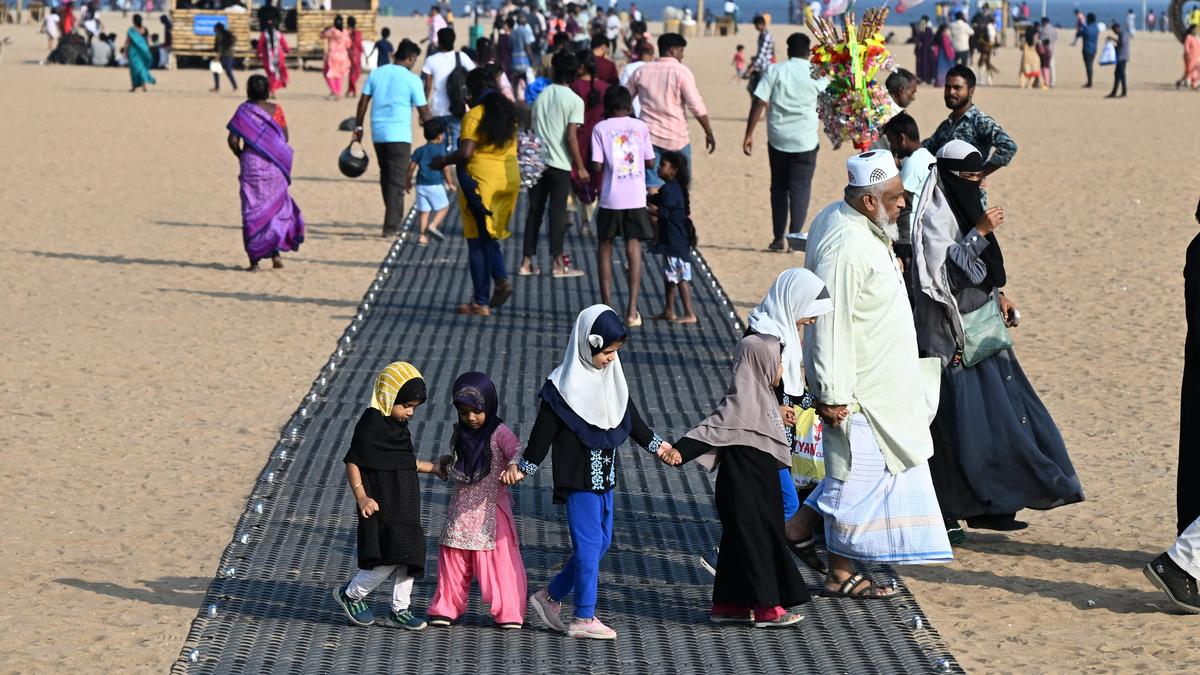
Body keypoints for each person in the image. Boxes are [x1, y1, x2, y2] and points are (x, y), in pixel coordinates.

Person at [911, 140, 1084, 539]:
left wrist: (999, 295)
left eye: (979, 177)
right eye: (969, 179)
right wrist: (979, 233)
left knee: (1002, 420)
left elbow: (984, 272)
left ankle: (995, 505)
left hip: (983, 331)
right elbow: (942, 281)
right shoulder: (935, 218)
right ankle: (952, 511)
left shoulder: (966, 206)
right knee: (957, 430)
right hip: (951, 340)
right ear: (952, 178)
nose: (976, 185)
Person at [802, 151, 954, 597]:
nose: (903, 204)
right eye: (894, 197)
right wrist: (831, 391)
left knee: (857, 476)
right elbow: (830, 320)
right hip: (860, 390)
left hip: (883, 384)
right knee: (852, 480)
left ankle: (806, 537)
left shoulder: (854, 223)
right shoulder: (845, 245)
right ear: (868, 202)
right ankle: (834, 568)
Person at [506, 305, 680, 640]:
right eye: (607, 352)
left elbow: (632, 421)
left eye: (615, 352)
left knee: (600, 544)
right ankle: (584, 617)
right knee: (588, 547)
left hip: (605, 477)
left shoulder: (612, 380)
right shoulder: (560, 389)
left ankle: (550, 596)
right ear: (588, 346)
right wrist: (524, 468)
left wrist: (661, 448)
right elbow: (541, 436)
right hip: (578, 479)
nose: (612, 359)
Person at [672, 333, 811, 626]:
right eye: (779, 363)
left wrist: (781, 410)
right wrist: (677, 452)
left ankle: (729, 605)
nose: (782, 370)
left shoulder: (763, 397)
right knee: (758, 540)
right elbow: (710, 429)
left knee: (739, 541)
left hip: (758, 484)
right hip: (743, 487)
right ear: (761, 364)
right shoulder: (741, 403)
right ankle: (766, 608)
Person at [331, 362, 446, 631]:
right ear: (388, 396)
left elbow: (402, 460)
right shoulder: (371, 423)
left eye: (415, 407)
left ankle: (400, 608)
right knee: (388, 557)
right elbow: (353, 461)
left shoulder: (398, 427)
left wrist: (434, 468)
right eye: (405, 405)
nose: (410, 412)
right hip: (382, 502)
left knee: (410, 554)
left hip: (405, 501)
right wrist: (361, 497)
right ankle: (351, 594)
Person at [426, 372, 528, 628]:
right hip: (461, 508)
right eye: (463, 412)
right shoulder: (461, 433)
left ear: (489, 406)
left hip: (490, 511)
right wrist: (445, 464)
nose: (471, 418)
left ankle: (508, 612)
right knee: (453, 556)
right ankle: (445, 607)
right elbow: (460, 463)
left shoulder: (499, 432)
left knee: (498, 561)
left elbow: (517, 450)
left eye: (476, 411)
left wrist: (514, 468)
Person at [431, 66, 520, 316]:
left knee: (477, 242)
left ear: (472, 90)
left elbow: (466, 153)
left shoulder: (475, 116)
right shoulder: (509, 114)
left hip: (480, 183)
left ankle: (484, 298)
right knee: (489, 235)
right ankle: (497, 283)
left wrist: (443, 162)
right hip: (508, 179)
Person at [744, 33, 823, 253]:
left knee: (778, 187)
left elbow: (759, 101)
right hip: (805, 140)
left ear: (788, 50)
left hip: (778, 138)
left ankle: (778, 238)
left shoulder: (776, 70)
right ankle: (795, 240)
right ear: (809, 51)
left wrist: (748, 134)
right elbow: (829, 100)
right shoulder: (815, 73)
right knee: (800, 189)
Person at [353, 39, 434, 238]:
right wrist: (434, 129)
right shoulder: (412, 79)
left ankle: (392, 218)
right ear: (410, 58)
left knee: (386, 176)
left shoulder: (377, 73)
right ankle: (391, 226)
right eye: (414, 60)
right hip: (399, 136)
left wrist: (359, 126)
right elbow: (424, 110)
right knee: (397, 181)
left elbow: (363, 100)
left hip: (378, 133)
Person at [225, 75, 304, 272]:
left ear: (248, 90)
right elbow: (284, 137)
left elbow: (233, 139)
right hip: (275, 164)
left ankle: (255, 261)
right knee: (275, 208)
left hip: (252, 164)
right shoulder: (276, 110)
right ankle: (275, 254)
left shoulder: (244, 111)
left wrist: (240, 155)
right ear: (268, 90)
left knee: (252, 209)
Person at [590, 86, 655, 326]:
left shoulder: (600, 128)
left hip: (610, 197)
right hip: (636, 197)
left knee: (604, 248)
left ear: (607, 107)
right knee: (633, 248)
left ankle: (606, 307)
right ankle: (632, 310)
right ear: (629, 106)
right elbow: (650, 161)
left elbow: (597, 165)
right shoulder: (640, 128)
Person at [521, 50, 588, 279]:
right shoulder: (575, 101)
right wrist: (580, 165)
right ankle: (557, 262)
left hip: (537, 162)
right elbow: (571, 137)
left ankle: (526, 261)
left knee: (534, 211)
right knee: (556, 213)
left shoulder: (541, 95)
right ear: (573, 75)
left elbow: (530, 127)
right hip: (559, 163)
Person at [626, 33, 716, 190]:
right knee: (681, 185)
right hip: (676, 138)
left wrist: (634, 119)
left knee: (652, 185)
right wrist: (708, 131)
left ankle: (655, 214)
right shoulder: (681, 72)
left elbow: (625, 99)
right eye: (681, 51)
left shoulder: (642, 71)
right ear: (673, 51)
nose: (682, 56)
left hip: (648, 137)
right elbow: (696, 106)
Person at [923, 65, 1017, 184]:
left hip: (970, 196)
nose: (951, 92)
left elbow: (1009, 146)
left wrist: (981, 174)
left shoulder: (980, 121)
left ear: (971, 90)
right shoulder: (947, 124)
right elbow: (927, 148)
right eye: (947, 87)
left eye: (957, 88)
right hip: (946, 196)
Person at [648, 151, 698, 325]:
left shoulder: (670, 189)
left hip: (675, 241)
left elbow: (664, 212)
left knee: (681, 277)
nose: (659, 167)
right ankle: (669, 310)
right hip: (674, 241)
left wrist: (645, 210)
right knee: (670, 277)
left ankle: (689, 312)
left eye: (663, 165)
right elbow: (656, 199)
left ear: (673, 170)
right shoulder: (673, 187)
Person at [882, 111, 935, 274]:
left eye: (892, 141)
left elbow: (900, 200)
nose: (892, 147)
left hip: (908, 237)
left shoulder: (913, 163)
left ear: (902, 138)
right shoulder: (926, 157)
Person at [422, 27, 476, 151]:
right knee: (456, 141)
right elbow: (474, 74)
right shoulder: (461, 56)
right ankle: (453, 169)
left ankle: (443, 168)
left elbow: (427, 87)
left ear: (439, 42)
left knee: (439, 143)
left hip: (437, 109)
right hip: (456, 107)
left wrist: (423, 110)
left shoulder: (431, 60)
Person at [571, 48, 609, 212]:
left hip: (578, 137)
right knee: (596, 178)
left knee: (575, 175)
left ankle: (571, 211)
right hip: (599, 139)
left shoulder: (574, 86)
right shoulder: (605, 87)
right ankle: (589, 218)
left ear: (580, 66)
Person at [408, 121, 455, 245]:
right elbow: (445, 168)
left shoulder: (420, 150)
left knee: (424, 211)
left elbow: (411, 166)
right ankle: (433, 226)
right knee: (444, 207)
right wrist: (450, 182)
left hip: (420, 184)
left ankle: (422, 237)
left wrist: (407, 181)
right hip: (435, 184)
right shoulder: (441, 151)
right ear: (439, 136)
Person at [619, 40, 654, 117]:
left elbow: (623, 89)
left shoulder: (629, 67)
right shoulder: (658, 69)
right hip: (653, 113)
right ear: (652, 55)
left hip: (634, 111)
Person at [122, 14, 156, 92]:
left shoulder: (131, 30)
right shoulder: (144, 29)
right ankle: (143, 87)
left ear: (134, 21)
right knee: (142, 69)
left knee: (135, 70)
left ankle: (135, 87)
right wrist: (148, 50)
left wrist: (125, 51)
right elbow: (147, 41)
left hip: (134, 53)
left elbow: (127, 41)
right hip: (143, 52)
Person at [257, 16, 290, 96]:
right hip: (279, 57)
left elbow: (259, 46)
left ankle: (272, 89)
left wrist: (258, 54)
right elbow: (285, 45)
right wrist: (287, 50)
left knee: (271, 75)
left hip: (267, 58)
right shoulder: (279, 34)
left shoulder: (263, 35)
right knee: (283, 73)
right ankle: (279, 85)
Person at [321, 15, 351, 99]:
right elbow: (348, 45)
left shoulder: (332, 31)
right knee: (339, 75)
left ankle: (335, 91)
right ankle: (338, 91)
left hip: (333, 55)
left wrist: (326, 29)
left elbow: (322, 35)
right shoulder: (345, 32)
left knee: (328, 74)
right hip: (343, 55)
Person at [746, 15, 775, 103]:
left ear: (761, 24)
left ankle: (765, 113)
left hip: (764, 67)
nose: (755, 27)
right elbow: (760, 53)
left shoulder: (767, 36)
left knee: (761, 92)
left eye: (756, 25)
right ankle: (763, 112)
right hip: (760, 65)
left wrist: (753, 66)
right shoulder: (762, 34)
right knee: (752, 89)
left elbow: (762, 54)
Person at [210, 22, 237, 92]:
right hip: (230, 55)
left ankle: (217, 87)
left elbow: (220, 47)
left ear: (217, 28)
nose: (213, 29)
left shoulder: (219, 35)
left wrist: (218, 56)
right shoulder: (226, 33)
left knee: (216, 70)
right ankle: (235, 86)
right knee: (228, 71)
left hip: (224, 55)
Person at [1106, 22, 1131, 98]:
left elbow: (1121, 44)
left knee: (1121, 75)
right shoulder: (1124, 33)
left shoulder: (1122, 34)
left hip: (1122, 57)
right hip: (1122, 56)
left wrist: (1112, 39)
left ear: (1117, 28)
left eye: (1114, 31)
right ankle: (1115, 92)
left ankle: (1123, 92)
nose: (1114, 32)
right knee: (1117, 74)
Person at [346, 16, 364, 97]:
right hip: (356, 54)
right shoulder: (357, 33)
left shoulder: (347, 32)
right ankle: (353, 90)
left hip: (349, 53)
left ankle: (350, 90)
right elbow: (359, 44)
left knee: (351, 73)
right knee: (357, 73)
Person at [915, 16, 936, 85]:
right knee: (928, 64)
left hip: (924, 50)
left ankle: (923, 79)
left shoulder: (922, 30)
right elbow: (932, 40)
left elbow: (919, 41)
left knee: (923, 64)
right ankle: (928, 79)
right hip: (927, 50)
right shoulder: (928, 29)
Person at [1081, 13, 1100, 88]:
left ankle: (1090, 82)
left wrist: (1083, 25)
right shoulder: (1096, 28)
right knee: (1090, 65)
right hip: (1094, 49)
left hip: (1087, 49)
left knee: (1088, 66)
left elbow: (1079, 33)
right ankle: (1090, 81)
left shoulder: (1086, 28)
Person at [1181, 25, 1200, 90]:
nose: (1197, 31)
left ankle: (1192, 82)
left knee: (1197, 69)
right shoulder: (1189, 37)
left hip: (1197, 56)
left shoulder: (1197, 38)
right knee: (1190, 70)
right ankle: (1190, 83)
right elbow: (1186, 47)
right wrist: (1187, 55)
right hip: (1190, 57)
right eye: (1196, 30)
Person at [1040, 17, 1057, 86]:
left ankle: (1045, 81)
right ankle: (1052, 81)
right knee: (1052, 66)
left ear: (1044, 22)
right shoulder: (1053, 30)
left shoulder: (1044, 30)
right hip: (1052, 49)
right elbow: (1056, 37)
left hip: (1045, 50)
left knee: (1045, 67)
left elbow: (1041, 39)